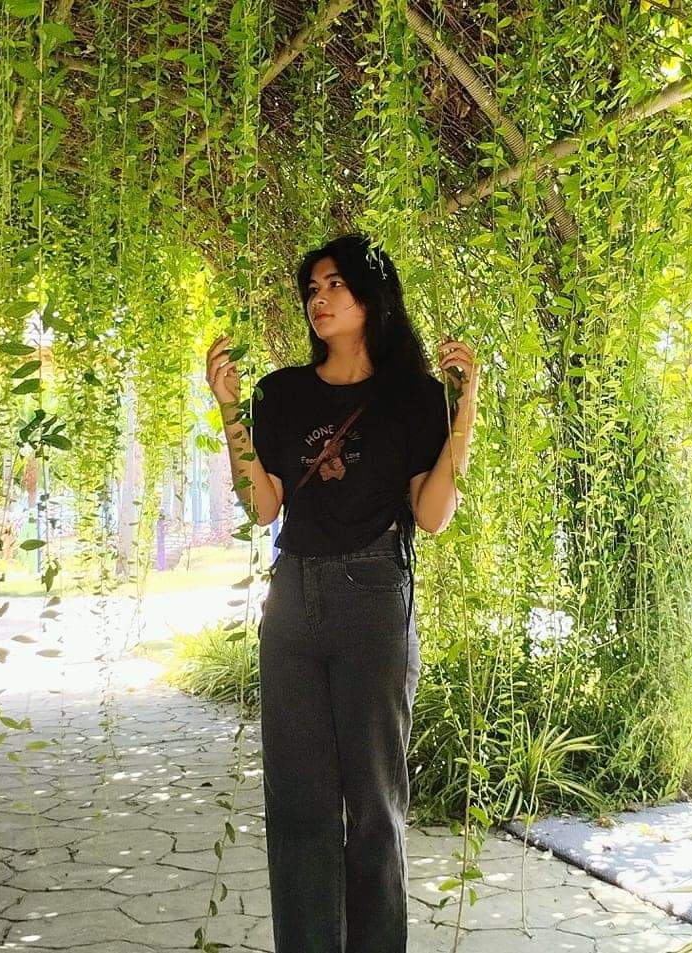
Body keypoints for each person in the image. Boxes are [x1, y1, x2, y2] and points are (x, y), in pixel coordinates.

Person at [205, 233, 479, 953]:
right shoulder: (280, 393)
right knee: (297, 806)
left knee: (376, 808)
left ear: (371, 297)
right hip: (294, 598)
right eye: (312, 289)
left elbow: (432, 515)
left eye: (335, 285)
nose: (318, 299)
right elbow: (262, 507)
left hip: (374, 594)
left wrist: (464, 413)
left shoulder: (414, 396)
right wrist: (229, 410)